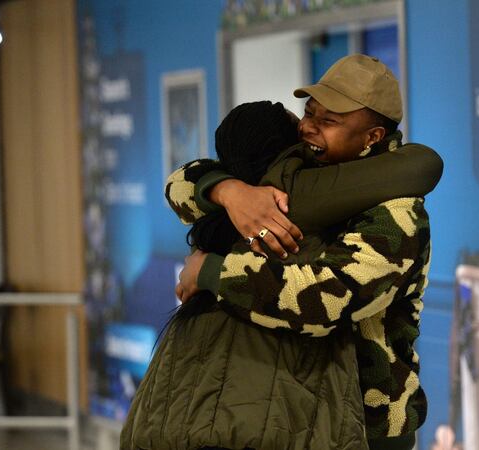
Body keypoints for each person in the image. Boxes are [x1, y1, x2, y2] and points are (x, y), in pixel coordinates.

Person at [122, 98, 441, 449]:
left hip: (369, 419)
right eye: (307, 115)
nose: (309, 127)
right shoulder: (250, 206)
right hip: (293, 415)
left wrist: (212, 269)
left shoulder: (385, 211)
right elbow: (180, 183)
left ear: (372, 135)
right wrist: (230, 191)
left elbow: (327, 300)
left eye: (329, 119)